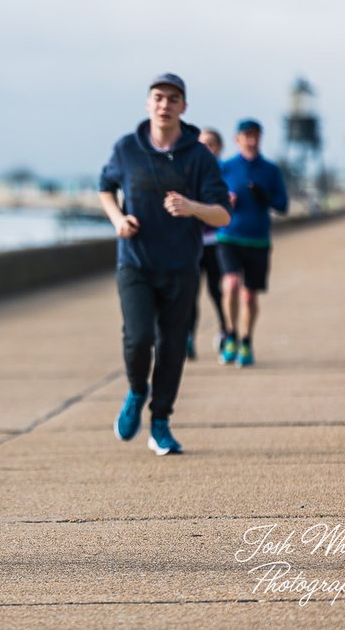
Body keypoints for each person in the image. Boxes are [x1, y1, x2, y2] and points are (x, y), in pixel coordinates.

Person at [100, 73, 231, 456]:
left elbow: (223, 215)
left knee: (172, 346)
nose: (165, 104)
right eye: (158, 97)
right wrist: (118, 220)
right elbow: (105, 187)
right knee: (139, 339)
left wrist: (192, 207)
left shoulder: (199, 156)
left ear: (183, 107)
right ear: (148, 103)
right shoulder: (127, 149)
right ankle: (138, 389)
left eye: (173, 98)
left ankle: (160, 423)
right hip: (136, 264)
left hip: (180, 266)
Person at [216, 119, 289, 367]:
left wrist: (264, 197)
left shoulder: (270, 170)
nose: (252, 140)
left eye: (256, 135)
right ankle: (230, 334)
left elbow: (282, 205)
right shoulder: (225, 167)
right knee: (231, 284)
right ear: (237, 139)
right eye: (247, 135)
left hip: (258, 240)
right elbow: (210, 199)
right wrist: (225, 201)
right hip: (228, 235)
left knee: (249, 296)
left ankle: (246, 340)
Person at [188, 128, 230, 358]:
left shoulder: (225, 171)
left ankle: (226, 332)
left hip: (218, 241)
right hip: (193, 242)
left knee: (218, 291)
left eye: (212, 143)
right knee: (190, 293)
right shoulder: (190, 170)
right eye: (202, 143)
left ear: (220, 147)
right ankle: (188, 337)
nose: (207, 148)